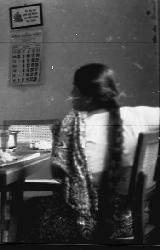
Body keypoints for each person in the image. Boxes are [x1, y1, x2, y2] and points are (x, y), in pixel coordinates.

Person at [17, 63, 159, 243]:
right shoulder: (137, 115)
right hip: (130, 220)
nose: (71, 95)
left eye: (75, 89)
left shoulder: (74, 126)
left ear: (88, 97)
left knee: (29, 209)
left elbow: (58, 173)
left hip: (88, 225)